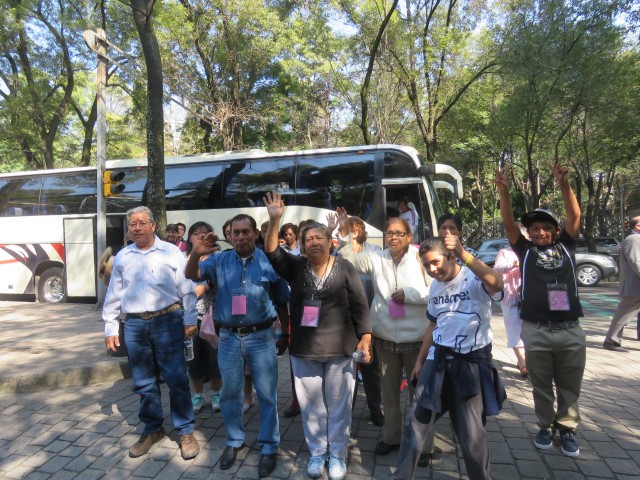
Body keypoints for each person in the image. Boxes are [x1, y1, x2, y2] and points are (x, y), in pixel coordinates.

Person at [263, 192, 372, 480]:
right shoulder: (296, 268)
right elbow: (273, 252)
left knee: (339, 406)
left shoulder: (344, 267)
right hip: (305, 350)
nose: (313, 242)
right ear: (302, 245)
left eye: (318, 238)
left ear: (329, 241)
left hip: (341, 349)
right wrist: (275, 220)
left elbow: (360, 305)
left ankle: (337, 455)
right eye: (308, 238)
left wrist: (366, 338)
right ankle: (317, 453)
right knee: (312, 407)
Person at [185, 214, 290, 477]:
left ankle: (268, 446)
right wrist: (196, 253)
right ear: (229, 236)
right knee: (231, 394)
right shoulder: (219, 260)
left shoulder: (270, 261)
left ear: (256, 234)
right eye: (235, 233)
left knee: (266, 394)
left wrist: (286, 333)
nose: (240, 237)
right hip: (229, 337)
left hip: (262, 336)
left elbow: (281, 301)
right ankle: (234, 440)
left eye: (245, 232)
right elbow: (191, 275)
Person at [393, 235, 505, 480]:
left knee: (471, 434)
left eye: (435, 262)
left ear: (451, 256)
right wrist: (421, 361)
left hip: (470, 362)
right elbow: (433, 325)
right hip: (438, 360)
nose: (432, 270)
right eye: (426, 265)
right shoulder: (435, 286)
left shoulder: (472, 277)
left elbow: (496, 283)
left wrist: (465, 253)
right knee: (415, 423)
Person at [496, 163, 585, 457]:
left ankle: (568, 429)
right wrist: (504, 193)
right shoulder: (525, 251)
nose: (540, 232)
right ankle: (545, 426)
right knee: (541, 385)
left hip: (570, 330)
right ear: (529, 233)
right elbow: (509, 225)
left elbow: (575, 215)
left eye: (546, 227)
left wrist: (563, 185)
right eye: (535, 228)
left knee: (569, 386)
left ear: (556, 231)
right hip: (536, 330)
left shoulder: (567, 246)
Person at [102, 206, 200, 460]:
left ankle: (185, 430)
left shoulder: (171, 252)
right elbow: (113, 293)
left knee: (177, 380)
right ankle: (152, 428)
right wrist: (111, 327)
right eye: (132, 224)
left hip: (167, 320)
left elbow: (187, 287)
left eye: (141, 223)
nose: (136, 228)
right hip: (134, 325)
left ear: (153, 225)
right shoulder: (123, 256)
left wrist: (189, 318)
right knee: (143, 383)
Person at [337, 211, 431, 461]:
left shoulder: (422, 259)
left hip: (416, 340)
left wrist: (409, 295)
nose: (393, 237)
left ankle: (422, 445)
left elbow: (436, 293)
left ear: (409, 236)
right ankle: (392, 437)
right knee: (389, 393)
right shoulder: (377, 258)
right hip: (385, 338)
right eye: (389, 233)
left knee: (418, 395)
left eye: (399, 233)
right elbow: (348, 261)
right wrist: (345, 232)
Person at [335, 211, 384, 426]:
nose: (351, 232)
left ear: (361, 231)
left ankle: (376, 408)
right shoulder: (338, 252)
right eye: (346, 229)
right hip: (346, 320)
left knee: (371, 368)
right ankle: (347, 411)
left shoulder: (375, 251)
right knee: (347, 369)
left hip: (370, 318)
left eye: (354, 228)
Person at [185, 221, 222, 414]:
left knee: (215, 359)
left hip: (213, 317)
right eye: (196, 233)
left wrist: (207, 286)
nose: (201, 236)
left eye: (206, 233)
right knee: (193, 359)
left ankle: (217, 393)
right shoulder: (182, 259)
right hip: (189, 319)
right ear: (190, 238)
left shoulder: (218, 258)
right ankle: (198, 394)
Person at [603, 216, 640, 352]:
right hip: (634, 286)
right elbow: (636, 262)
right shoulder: (633, 239)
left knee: (624, 312)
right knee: (624, 313)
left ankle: (611, 340)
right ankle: (610, 341)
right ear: (638, 226)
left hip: (634, 286)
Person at [493, 245, 528, 376]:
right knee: (514, 329)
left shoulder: (530, 250)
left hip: (528, 298)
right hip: (510, 297)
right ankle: (522, 361)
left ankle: (526, 359)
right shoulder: (504, 252)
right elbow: (496, 269)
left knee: (529, 330)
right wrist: (512, 265)